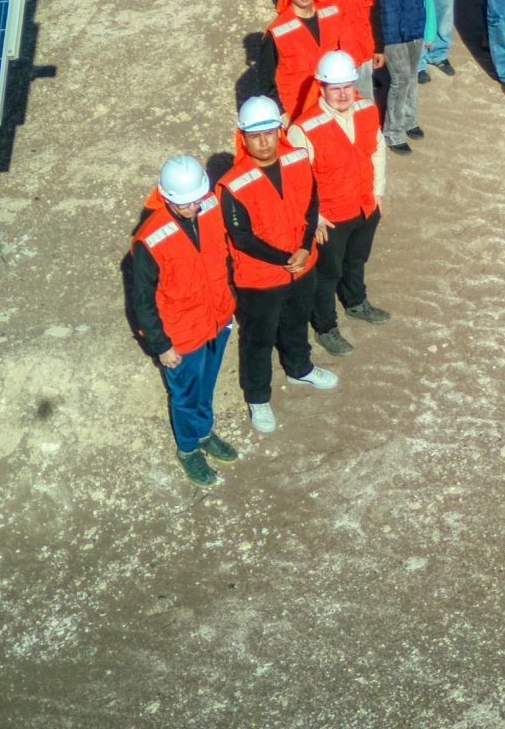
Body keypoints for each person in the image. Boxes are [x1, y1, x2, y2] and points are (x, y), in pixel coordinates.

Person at [218, 95, 337, 434]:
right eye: (256, 135)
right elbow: (242, 238)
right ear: (243, 137)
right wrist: (285, 258)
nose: (264, 141)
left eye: (269, 132)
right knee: (258, 337)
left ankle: (300, 367)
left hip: (301, 265)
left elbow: (311, 203)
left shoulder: (298, 159)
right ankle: (257, 396)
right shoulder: (232, 185)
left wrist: (303, 247)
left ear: (277, 130)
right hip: (260, 279)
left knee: (297, 321)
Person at [126, 153, 241, 487]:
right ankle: (188, 450)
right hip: (181, 336)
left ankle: (204, 433)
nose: (193, 207)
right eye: (185, 204)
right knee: (185, 395)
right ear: (167, 198)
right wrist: (162, 345)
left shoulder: (211, 206)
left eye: (197, 200)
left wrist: (230, 307)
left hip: (216, 320)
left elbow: (224, 258)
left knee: (205, 387)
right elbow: (142, 301)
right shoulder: (150, 240)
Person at [297, 50, 390, 358]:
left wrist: (377, 192)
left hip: (364, 206)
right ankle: (325, 327)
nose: (342, 94)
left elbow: (377, 148)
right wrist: (316, 218)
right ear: (321, 88)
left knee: (357, 260)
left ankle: (355, 302)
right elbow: (299, 183)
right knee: (326, 274)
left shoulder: (366, 108)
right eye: (334, 88)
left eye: (347, 86)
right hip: (331, 217)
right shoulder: (304, 129)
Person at [372, 0, 431, 150]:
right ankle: (393, 133)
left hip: (415, 29)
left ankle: (409, 120)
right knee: (400, 79)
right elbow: (371, 7)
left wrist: (429, 32)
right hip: (391, 33)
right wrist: (376, 44)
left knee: (412, 77)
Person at [266, 0, 344, 118]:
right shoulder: (276, 32)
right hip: (296, 111)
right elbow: (266, 82)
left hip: (329, 104)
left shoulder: (331, 14)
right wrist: (282, 114)